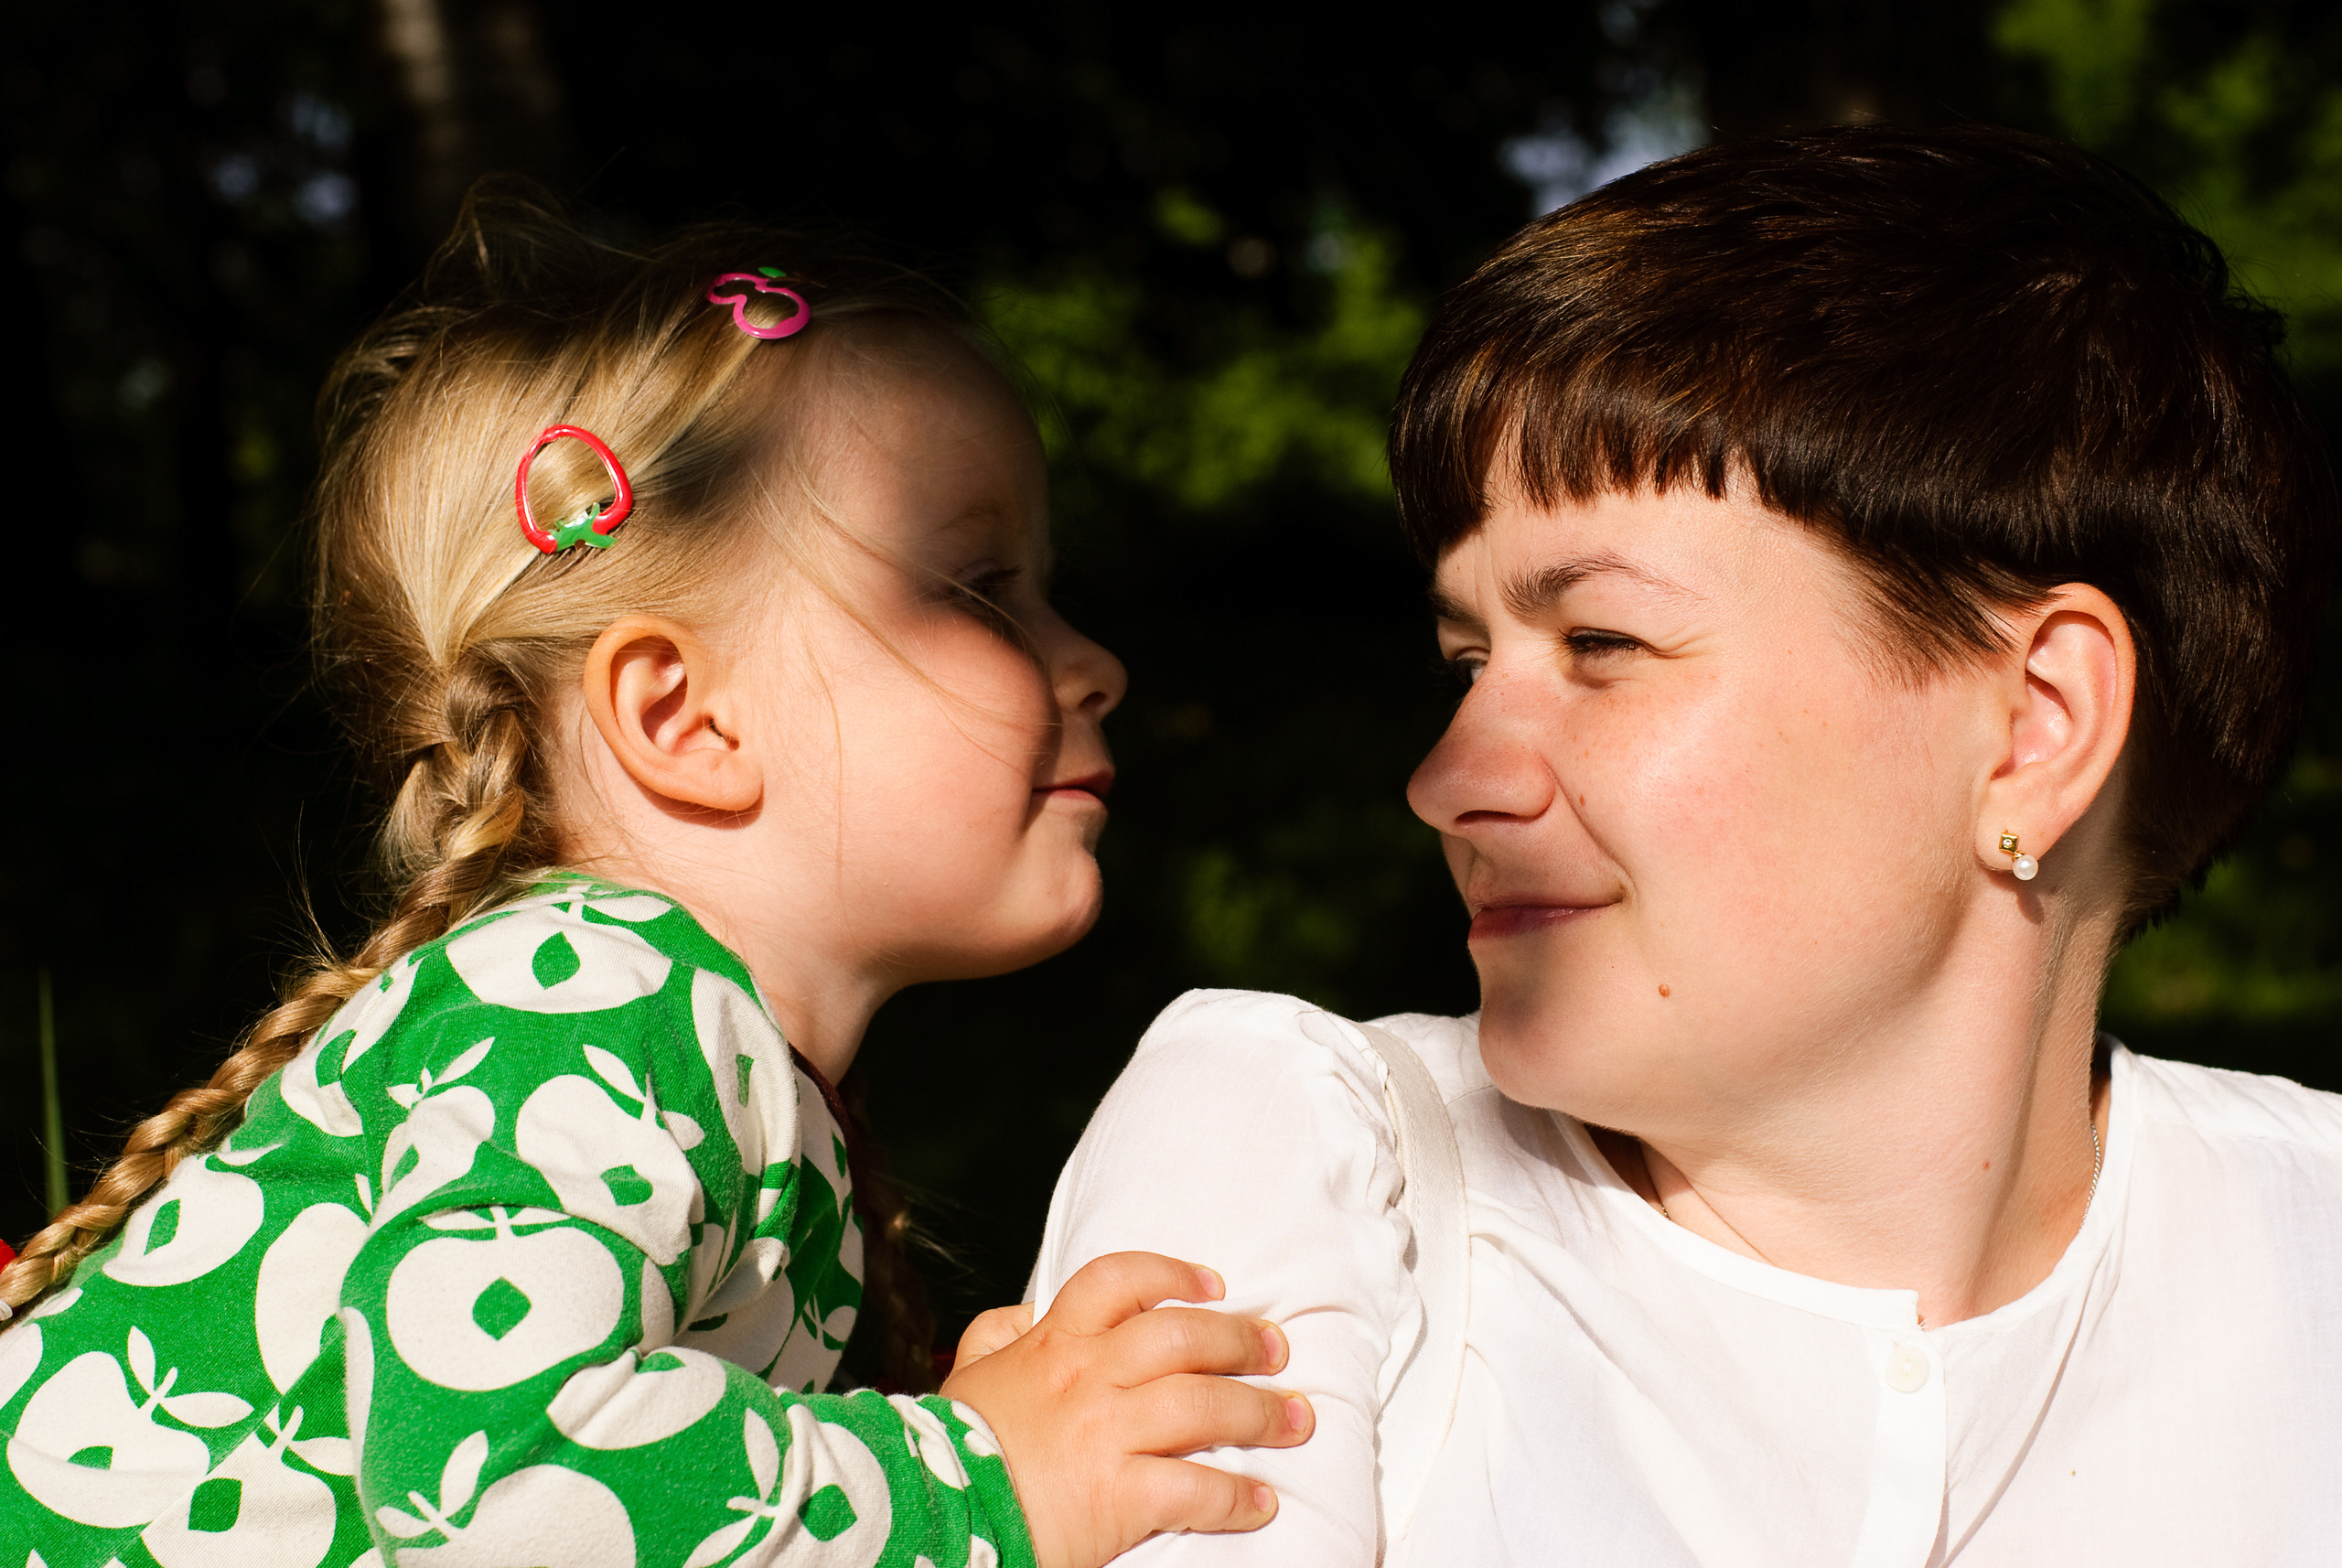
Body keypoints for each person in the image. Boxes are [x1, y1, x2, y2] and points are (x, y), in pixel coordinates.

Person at [1027, 124, 2342, 1564]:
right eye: (1467, 659)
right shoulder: (1315, 1170)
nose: (1449, 776)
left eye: (1602, 641)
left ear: (2035, 724)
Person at [0, 186, 1316, 1568]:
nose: (1091, 657)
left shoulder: (647, 1020)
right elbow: (500, 1488)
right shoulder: (592, 1005)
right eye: (982, 588)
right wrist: (971, 1479)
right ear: (685, 717)